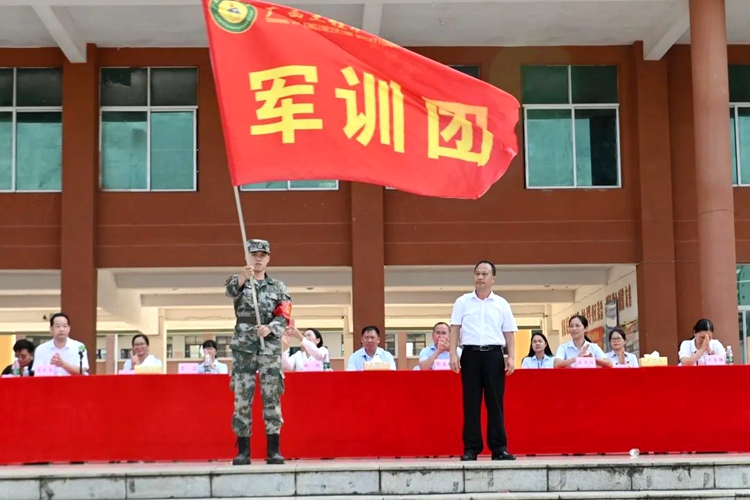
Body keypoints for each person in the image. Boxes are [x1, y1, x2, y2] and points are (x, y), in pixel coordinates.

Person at [225, 239, 291, 466]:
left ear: (268, 258)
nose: (258, 258)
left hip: (269, 348)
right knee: (242, 398)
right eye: (254, 254)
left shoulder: (278, 287)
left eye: (262, 255)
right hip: (244, 348)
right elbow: (230, 291)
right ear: (248, 257)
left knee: (271, 396)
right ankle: (243, 451)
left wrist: (270, 328)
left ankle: (274, 450)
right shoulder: (239, 281)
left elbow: (285, 315)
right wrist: (242, 278)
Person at [449, 260, 517, 461]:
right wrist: (453, 354)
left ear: (493, 279)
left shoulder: (501, 304)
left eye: (484, 274)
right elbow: (455, 329)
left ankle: (499, 448)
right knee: (471, 402)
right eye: (477, 273)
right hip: (470, 355)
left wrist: (511, 357)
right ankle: (471, 448)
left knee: (495, 402)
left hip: (494, 356)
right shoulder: (462, 302)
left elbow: (509, 333)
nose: (480, 277)